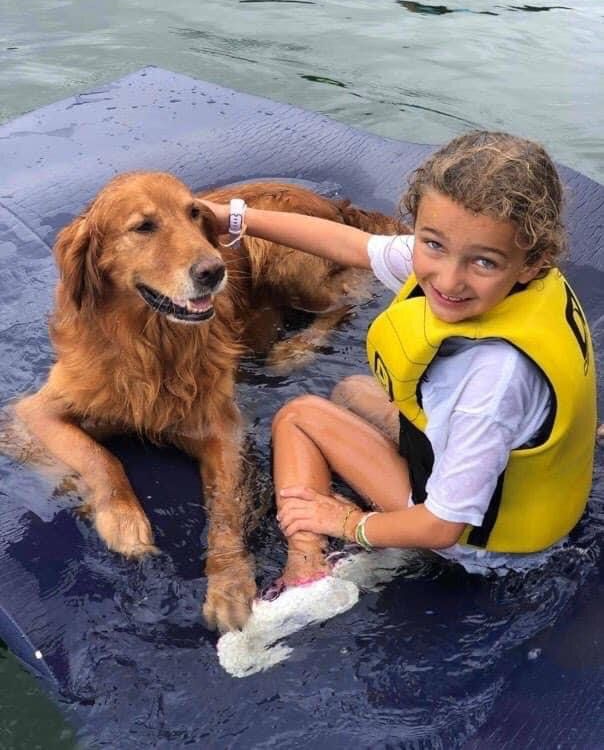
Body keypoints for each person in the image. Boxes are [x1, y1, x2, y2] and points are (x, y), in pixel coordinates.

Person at [204, 131, 597, 590]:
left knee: (299, 417)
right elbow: (350, 245)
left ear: (531, 261)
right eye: (431, 245)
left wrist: (350, 522)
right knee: (352, 390)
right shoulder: (519, 278)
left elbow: (443, 524)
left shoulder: (493, 380)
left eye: (483, 263)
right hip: (530, 495)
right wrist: (233, 217)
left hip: (478, 543)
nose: (448, 279)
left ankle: (307, 569)